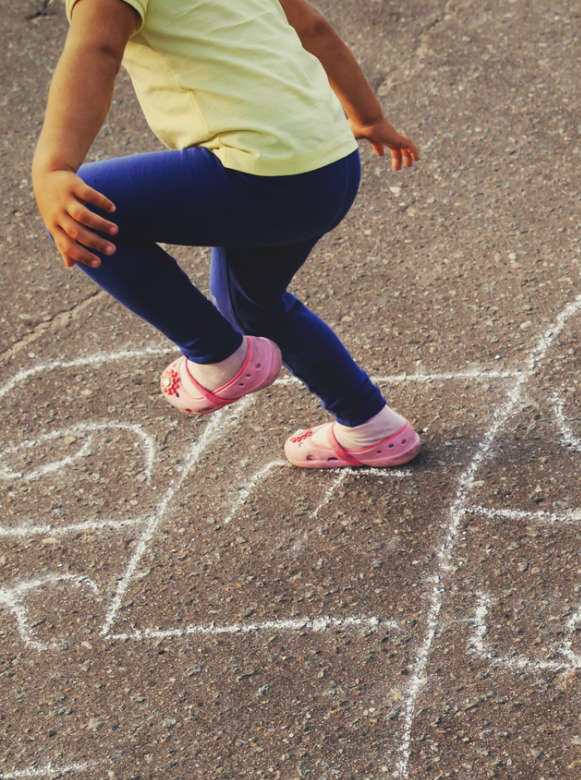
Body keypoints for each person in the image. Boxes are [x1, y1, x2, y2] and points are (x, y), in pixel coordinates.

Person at [32, 0, 422, 469]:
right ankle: (371, 426)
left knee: (86, 203)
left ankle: (218, 356)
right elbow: (313, 28)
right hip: (330, 163)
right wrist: (368, 115)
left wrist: (53, 167)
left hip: (262, 173)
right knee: (250, 304)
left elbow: (96, 47)